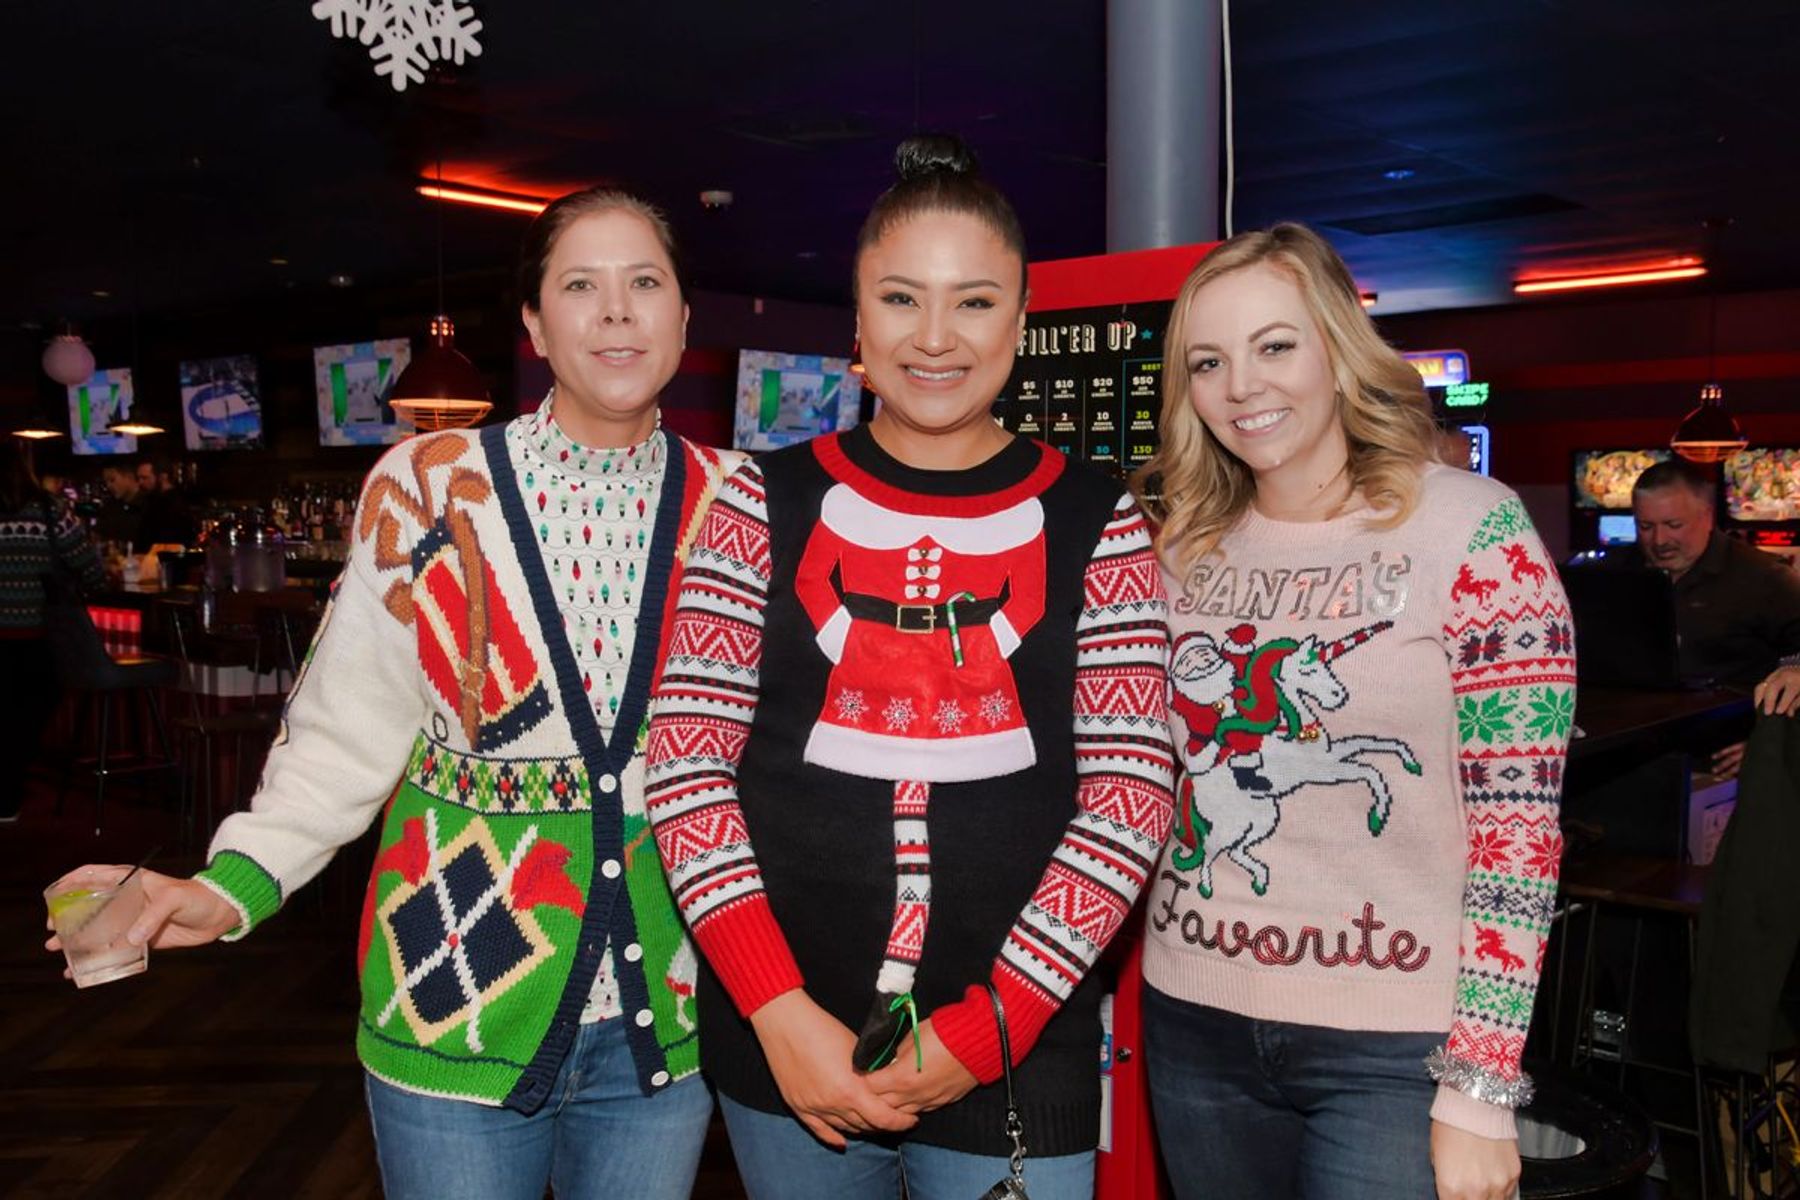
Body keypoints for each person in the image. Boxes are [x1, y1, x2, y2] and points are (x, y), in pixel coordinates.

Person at [47, 187, 744, 1199]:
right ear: (534, 324)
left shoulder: (741, 504)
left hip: (668, 1019)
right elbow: (345, 731)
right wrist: (233, 884)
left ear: (683, 316)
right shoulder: (424, 483)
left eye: (645, 282)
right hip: (449, 1003)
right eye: (579, 286)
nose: (615, 311)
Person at [644, 134, 1175, 1200]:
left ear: (1021, 322)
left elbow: (1131, 795)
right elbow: (686, 766)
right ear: (857, 319)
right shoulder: (756, 502)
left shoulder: (1100, 519)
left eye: (974, 302)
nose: (935, 337)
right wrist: (775, 1009)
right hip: (789, 1049)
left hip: (1018, 1051)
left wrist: (993, 1028)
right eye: (900, 299)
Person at [1133, 223, 1576, 1200]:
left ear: (1338, 349)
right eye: (1208, 361)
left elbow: (1519, 829)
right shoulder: (1180, 548)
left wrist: (1480, 1083)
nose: (1241, 385)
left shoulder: (1476, 530)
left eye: (1275, 345)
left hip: (1395, 1048)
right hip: (1193, 1018)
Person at [1627, 459, 1800, 777]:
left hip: (1727, 770)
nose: (1659, 540)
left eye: (1673, 525)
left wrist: (1773, 743)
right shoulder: (1622, 574)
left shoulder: (1764, 578)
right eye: (1645, 527)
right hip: (1639, 761)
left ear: (1707, 517)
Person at [0, 439, 107, 821]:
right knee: (30, 712)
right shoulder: (49, 510)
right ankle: (8, 793)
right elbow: (89, 567)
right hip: (37, 634)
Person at [93, 462, 145, 550]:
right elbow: (97, 534)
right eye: (106, 482)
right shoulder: (109, 506)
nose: (108, 486)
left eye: (112, 480)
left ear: (129, 477)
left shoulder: (150, 504)